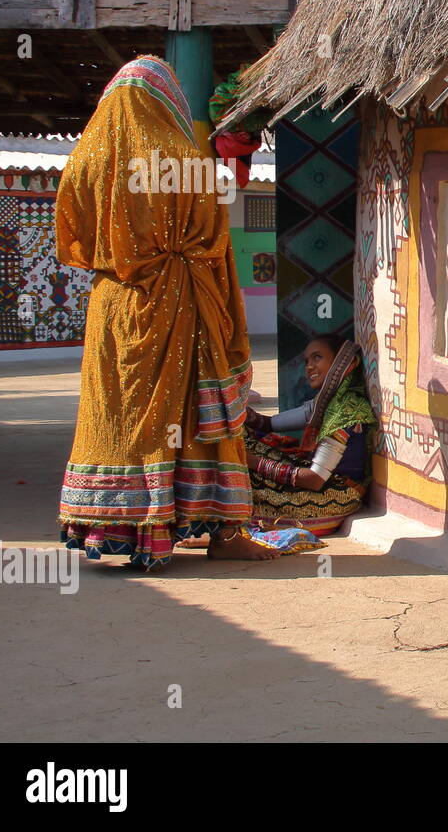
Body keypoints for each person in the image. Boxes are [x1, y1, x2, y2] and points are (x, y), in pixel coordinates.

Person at [56, 55, 278, 566]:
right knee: (198, 417)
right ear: (170, 103)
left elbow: (71, 234)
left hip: (114, 303)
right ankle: (222, 536)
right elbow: (213, 240)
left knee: (119, 413)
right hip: (179, 300)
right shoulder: (183, 162)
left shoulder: (86, 163)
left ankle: (122, 532)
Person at [242, 335, 377, 537]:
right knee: (242, 437)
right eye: (307, 361)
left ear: (343, 363)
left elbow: (315, 479)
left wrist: (252, 462)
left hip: (334, 497)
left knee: (243, 471)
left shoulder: (346, 413)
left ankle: (225, 528)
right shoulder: (327, 403)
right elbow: (267, 424)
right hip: (322, 485)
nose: (310, 367)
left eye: (317, 358)